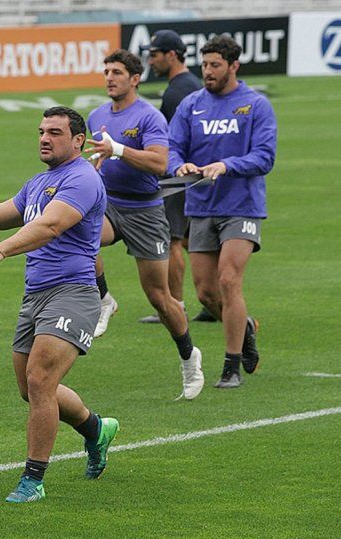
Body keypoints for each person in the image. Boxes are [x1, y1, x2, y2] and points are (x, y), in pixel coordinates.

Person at [0, 106, 119, 503]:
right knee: (31, 390)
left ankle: (34, 479)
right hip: (36, 296)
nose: (44, 138)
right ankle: (96, 430)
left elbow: (50, 226)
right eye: (41, 131)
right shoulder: (39, 181)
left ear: (78, 141)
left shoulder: (82, 178)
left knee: (41, 381)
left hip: (73, 294)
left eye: (55, 132)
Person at [84, 49, 204, 400]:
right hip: (109, 203)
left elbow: (159, 163)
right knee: (78, 232)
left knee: (159, 298)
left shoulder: (149, 117)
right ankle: (104, 298)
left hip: (145, 212)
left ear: (135, 79)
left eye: (117, 72)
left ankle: (188, 357)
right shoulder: (97, 115)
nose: (109, 77)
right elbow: (96, 159)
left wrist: (117, 149)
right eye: (106, 71)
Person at [168, 35, 275, 388]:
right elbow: (172, 147)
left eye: (215, 65)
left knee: (229, 280)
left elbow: (265, 156)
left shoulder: (255, 105)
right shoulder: (191, 105)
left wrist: (226, 165)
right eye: (205, 64)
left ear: (233, 66)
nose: (208, 71)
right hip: (200, 207)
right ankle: (243, 326)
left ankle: (231, 366)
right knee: (205, 293)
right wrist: (179, 166)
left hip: (242, 206)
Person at [138, 29, 208, 325]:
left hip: (181, 174)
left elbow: (173, 140)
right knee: (195, 241)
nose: (150, 61)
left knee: (172, 238)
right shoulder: (191, 85)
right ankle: (215, 300)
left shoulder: (177, 91)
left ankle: (175, 304)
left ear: (171, 55)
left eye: (154, 55)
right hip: (198, 171)